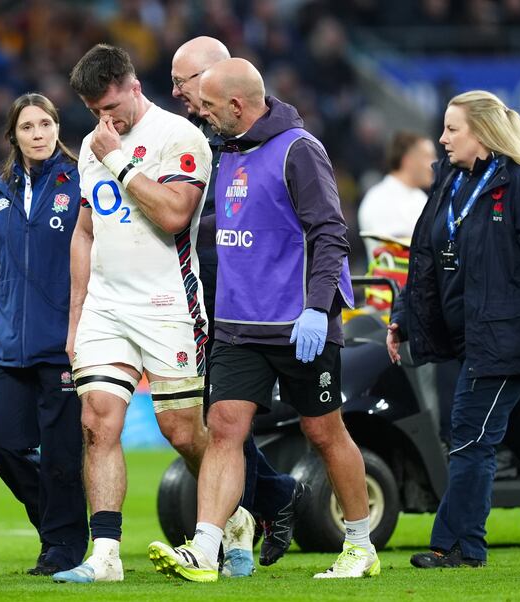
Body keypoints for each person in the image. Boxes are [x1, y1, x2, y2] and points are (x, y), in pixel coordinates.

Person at [148, 58, 379, 581]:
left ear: (236, 105)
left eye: (208, 106)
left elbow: (329, 233)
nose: (202, 115)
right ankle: (206, 549)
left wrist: (319, 308)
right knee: (225, 429)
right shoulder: (227, 150)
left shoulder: (300, 150)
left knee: (324, 432)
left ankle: (360, 545)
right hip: (236, 324)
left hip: (298, 324)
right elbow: (234, 222)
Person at [52, 44, 253, 584]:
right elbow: (86, 230)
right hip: (106, 306)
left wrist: (119, 158)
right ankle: (106, 556)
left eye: (112, 106)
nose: (105, 120)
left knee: (182, 431)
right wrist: (76, 318)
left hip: (168, 303)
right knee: (97, 422)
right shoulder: (92, 146)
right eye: (94, 111)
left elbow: (174, 214)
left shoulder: (178, 137)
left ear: (134, 86)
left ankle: (232, 520)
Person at [170, 36, 305, 568]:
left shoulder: (254, 138)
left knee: (225, 415)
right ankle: (272, 496)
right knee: (217, 416)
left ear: (218, 79)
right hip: (199, 283)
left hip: (246, 293)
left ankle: (261, 507)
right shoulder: (203, 134)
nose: (178, 93)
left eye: (183, 83)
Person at [387, 90, 520, 569]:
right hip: (469, 338)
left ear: (483, 134)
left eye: (453, 129)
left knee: (470, 437)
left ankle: (456, 547)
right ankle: (462, 545)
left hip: (505, 341)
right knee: (494, 440)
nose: (441, 138)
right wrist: (403, 317)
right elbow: (425, 262)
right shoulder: (450, 186)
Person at [0, 93, 88, 576]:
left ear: (57, 127)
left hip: (63, 345)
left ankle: (62, 544)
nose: (38, 134)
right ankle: (61, 527)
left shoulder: (80, 182)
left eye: (46, 124)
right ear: (12, 136)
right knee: (0, 445)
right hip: (9, 345)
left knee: (60, 454)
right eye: (28, 127)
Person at [358, 131, 437, 260]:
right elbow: (395, 251)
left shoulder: (421, 198)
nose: (434, 164)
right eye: (428, 156)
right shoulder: (379, 199)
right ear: (408, 161)